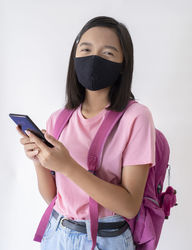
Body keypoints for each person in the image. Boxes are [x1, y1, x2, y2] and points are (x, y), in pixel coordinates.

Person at [16, 16, 155, 250]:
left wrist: (67, 166)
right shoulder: (59, 118)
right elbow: (54, 199)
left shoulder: (136, 117)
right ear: (75, 56)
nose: (94, 59)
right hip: (56, 234)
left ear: (123, 64)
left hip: (106, 239)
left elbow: (130, 205)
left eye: (108, 53)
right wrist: (39, 161)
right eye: (86, 49)